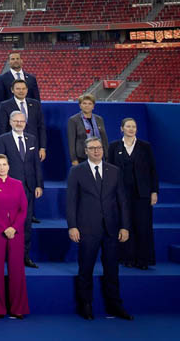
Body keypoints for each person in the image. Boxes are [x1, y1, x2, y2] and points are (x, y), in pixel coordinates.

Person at [66, 138, 132, 320]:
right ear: (85, 151)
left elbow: (122, 201)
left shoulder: (114, 171)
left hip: (111, 227)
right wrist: (72, 226)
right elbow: (71, 201)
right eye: (92, 148)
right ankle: (85, 305)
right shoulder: (76, 171)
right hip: (87, 228)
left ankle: (114, 305)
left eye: (99, 148)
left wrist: (125, 226)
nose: (96, 151)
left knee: (112, 269)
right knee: (86, 268)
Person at [0, 154, 29, 318]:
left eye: (4, 164)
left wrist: (13, 228)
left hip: (16, 232)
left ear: (9, 166)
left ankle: (18, 308)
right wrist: (3, 228)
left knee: (17, 269)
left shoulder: (18, 184)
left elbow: (23, 209)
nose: (2, 168)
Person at [0, 111, 43, 267]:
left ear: (25, 123)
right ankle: (8, 256)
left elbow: (36, 164)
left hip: (28, 188)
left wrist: (39, 184)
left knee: (26, 223)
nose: (19, 124)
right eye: (16, 121)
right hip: (9, 188)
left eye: (22, 121)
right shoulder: (3, 139)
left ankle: (24, 256)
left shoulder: (32, 139)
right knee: (8, 223)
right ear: (10, 122)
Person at [109, 118, 158, 269]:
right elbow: (109, 170)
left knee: (143, 226)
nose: (131, 129)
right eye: (128, 126)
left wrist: (154, 191)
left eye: (134, 127)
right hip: (121, 193)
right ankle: (127, 258)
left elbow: (152, 170)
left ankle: (143, 260)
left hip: (142, 193)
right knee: (125, 224)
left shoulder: (145, 146)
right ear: (121, 129)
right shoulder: (113, 146)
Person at [0, 79, 46, 157]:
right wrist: (5, 147)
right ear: (12, 90)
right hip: (13, 146)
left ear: (27, 90)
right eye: (18, 89)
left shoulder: (35, 104)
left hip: (33, 146)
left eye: (23, 89)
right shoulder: (5, 105)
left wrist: (42, 148)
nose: (21, 91)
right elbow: (2, 128)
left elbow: (41, 126)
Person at [67, 94, 108, 165]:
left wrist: (107, 156)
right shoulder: (73, 120)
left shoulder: (99, 119)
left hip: (98, 155)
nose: (87, 105)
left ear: (93, 106)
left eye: (90, 103)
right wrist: (74, 159)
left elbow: (104, 139)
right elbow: (71, 142)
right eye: (84, 103)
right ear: (80, 105)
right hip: (82, 157)